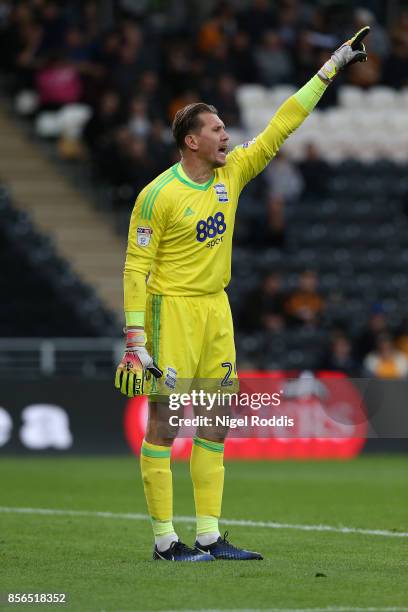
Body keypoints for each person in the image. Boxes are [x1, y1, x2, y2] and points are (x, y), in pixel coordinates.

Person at [115, 28, 370, 562]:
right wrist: (136, 337)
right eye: (217, 129)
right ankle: (166, 542)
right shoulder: (157, 196)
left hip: (216, 308)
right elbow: (137, 265)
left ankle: (208, 534)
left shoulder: (233, 174)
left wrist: (331, 66)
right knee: (166, 423)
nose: (227, 136)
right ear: (192, 141)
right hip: (172, 309)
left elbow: (282, 125)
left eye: (225, 127)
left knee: (216, 421)